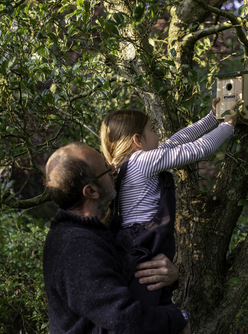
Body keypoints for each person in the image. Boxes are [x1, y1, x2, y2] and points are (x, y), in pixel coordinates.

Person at [99, 97, 241, 306]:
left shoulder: (124, 166)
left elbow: (176, 141)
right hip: (145, 244)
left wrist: (212, 118)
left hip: (133, 244)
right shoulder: (142, 161)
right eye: (152, 130)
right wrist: (228, 125)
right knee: (152, 304)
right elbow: (199, 149)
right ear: (137, 140)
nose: (157, 135)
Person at [43, 142, 190, 334]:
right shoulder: (76, 246)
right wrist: (179, 319)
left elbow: (124, 283)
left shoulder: (95, 232)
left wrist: (170, 276)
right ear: (91, 191)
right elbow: (123, 318)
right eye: (105, 168)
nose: (114, 169)